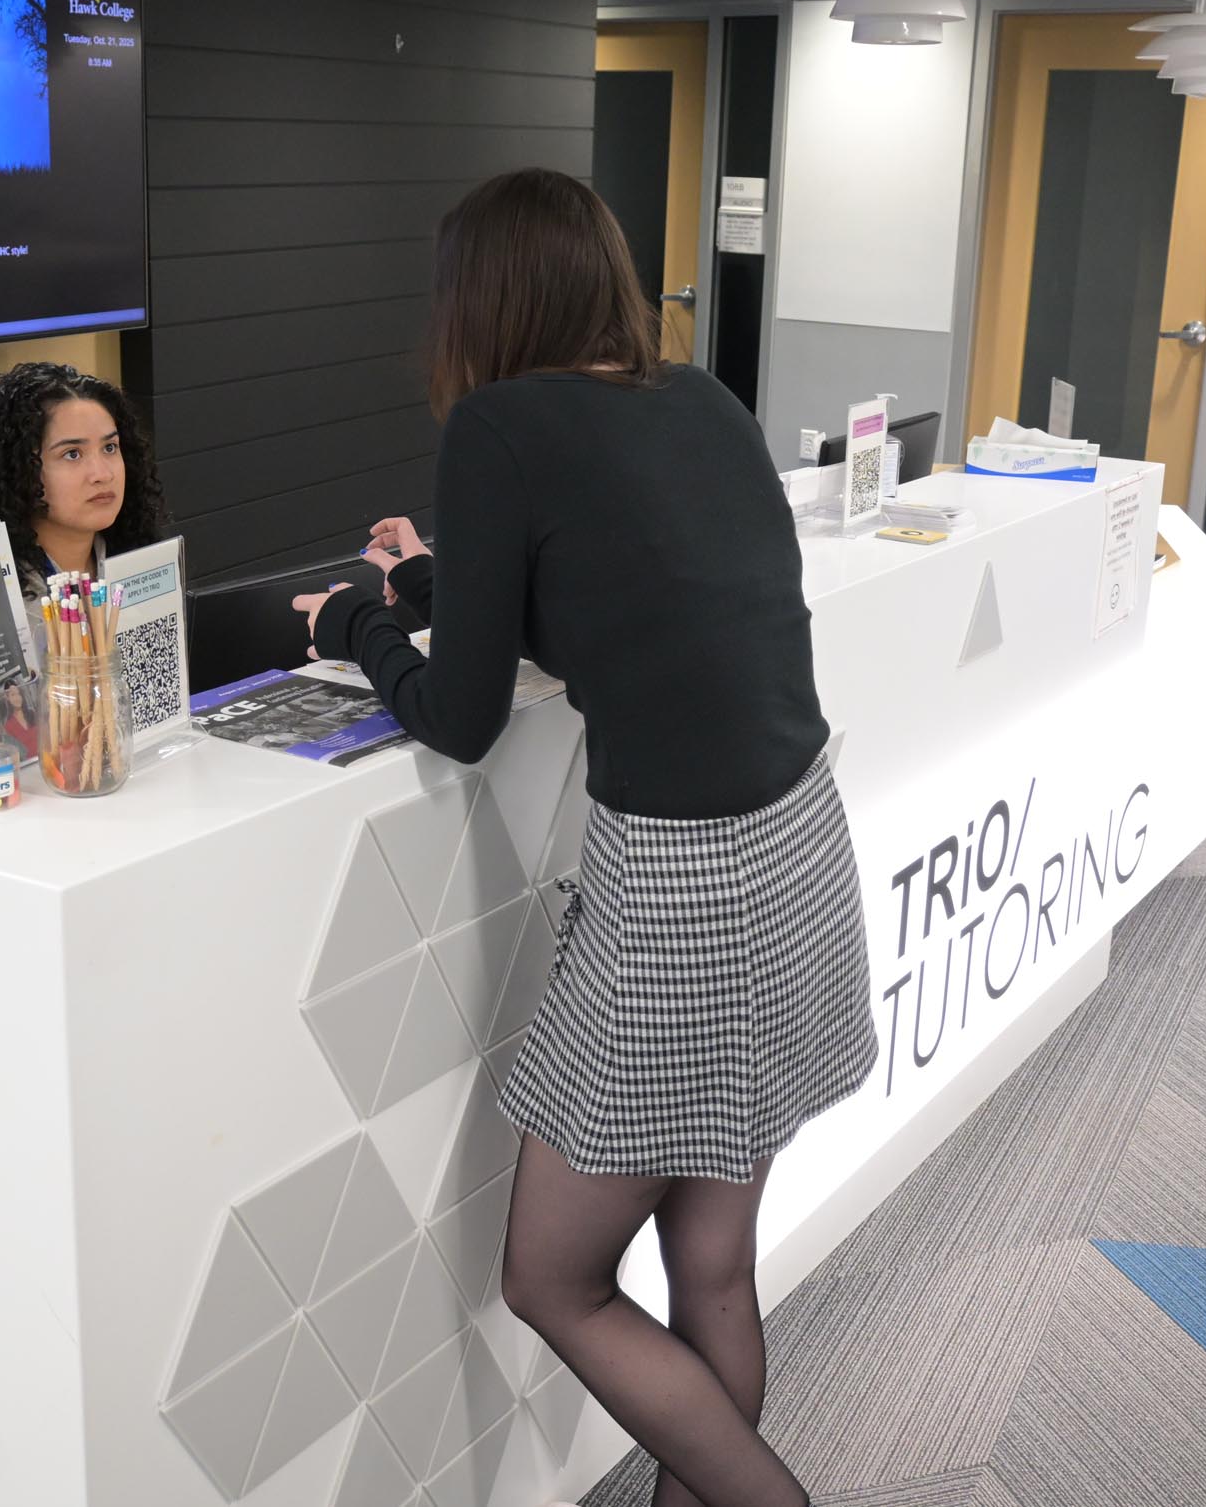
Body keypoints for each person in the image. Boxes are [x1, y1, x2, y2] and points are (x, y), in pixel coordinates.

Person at [293, 168, 875, 1507]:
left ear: (483, 299)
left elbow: (461, 715)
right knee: (712, 1264)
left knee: (549, 1275)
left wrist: (353, 626)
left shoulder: (499, 425)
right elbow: (613, 595)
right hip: (801, 845)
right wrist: (437, 580)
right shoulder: (702, 397)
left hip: (686, 887)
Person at [0, 361, 169, 594]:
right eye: (72, 454)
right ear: (18, 468)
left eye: (110, 448)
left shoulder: (143, 564)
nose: (103, 474)